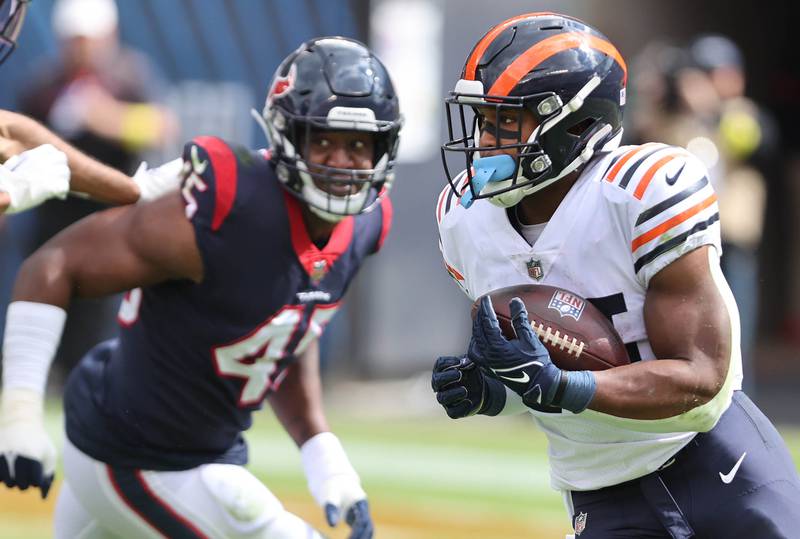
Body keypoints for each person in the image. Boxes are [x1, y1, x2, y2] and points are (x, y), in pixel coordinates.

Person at [0, 35, 401, 539]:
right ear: (287, 137)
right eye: (323, 139)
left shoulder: (368, 224)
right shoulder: (228, 210)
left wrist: (325, 458)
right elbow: (54, 263)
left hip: (194, 453)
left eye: (358, 144)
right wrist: (18, 414)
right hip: (129, 453)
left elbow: (285, 327)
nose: (340, 161)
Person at [432, 12, 800, 538]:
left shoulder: (644, 190)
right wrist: (492, 388)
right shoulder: (463, 218)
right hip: (598, 490)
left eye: (506, 122)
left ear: (575, 123)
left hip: (716, 464)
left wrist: (562, 384)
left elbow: (700, 376)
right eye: (483, 120)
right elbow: (550, 360)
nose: (485, 140)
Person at [0, 0, 180, 213]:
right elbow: (13, 137)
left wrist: (105, 118)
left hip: (114, 214)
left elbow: (162, 128)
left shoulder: (130, 74)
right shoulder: (43, 83)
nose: (83, 49)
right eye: (75, 41)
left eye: (89, 40)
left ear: (109, 34)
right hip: (57, 218)